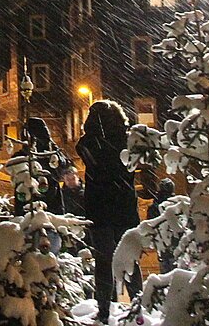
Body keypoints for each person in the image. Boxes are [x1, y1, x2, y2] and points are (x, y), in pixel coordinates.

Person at [76, 100, 141, 322]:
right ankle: (138, 305)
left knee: (103, 260)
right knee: (130, 259)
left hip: (100, 209)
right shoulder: (126, 142)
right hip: (124, 207)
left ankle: (104, 308)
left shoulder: (90, 144)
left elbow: (89, 155)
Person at [146, 177, 177, 273]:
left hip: (160, 242)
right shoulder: (175, 204)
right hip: (174, 241)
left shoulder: (154, 206)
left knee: (164, 268)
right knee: (174, 267)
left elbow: (150, 224)